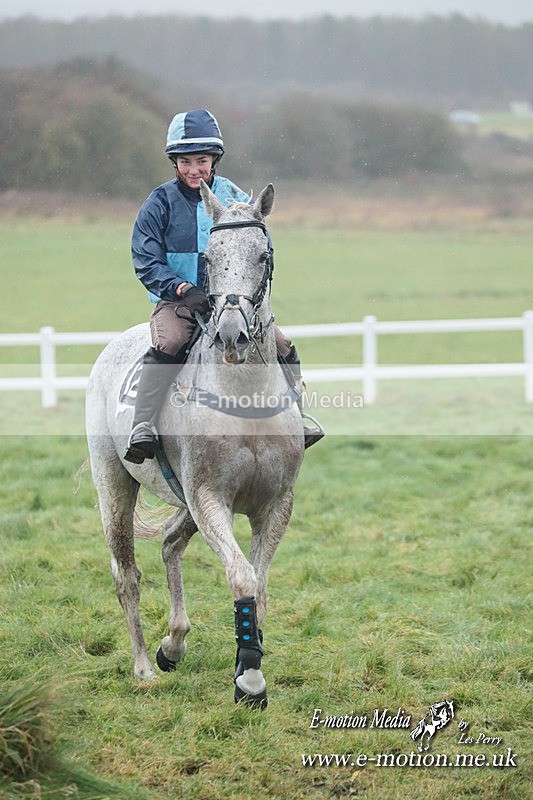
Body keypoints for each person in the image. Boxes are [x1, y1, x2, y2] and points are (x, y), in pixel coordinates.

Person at [124, 109, 323, 464]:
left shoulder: (234, 197)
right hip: (179, 303)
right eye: (185, 162)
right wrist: (182, 289)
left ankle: (298, 417)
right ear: (174, 163)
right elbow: (145, 259)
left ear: (214, 160)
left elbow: (260, 247)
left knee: (281, 343)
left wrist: (244, 294)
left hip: (234, 304)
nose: (193, 169)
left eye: (201, 160)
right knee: (169, 342)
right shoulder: (159, 203)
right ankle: (143, 424)